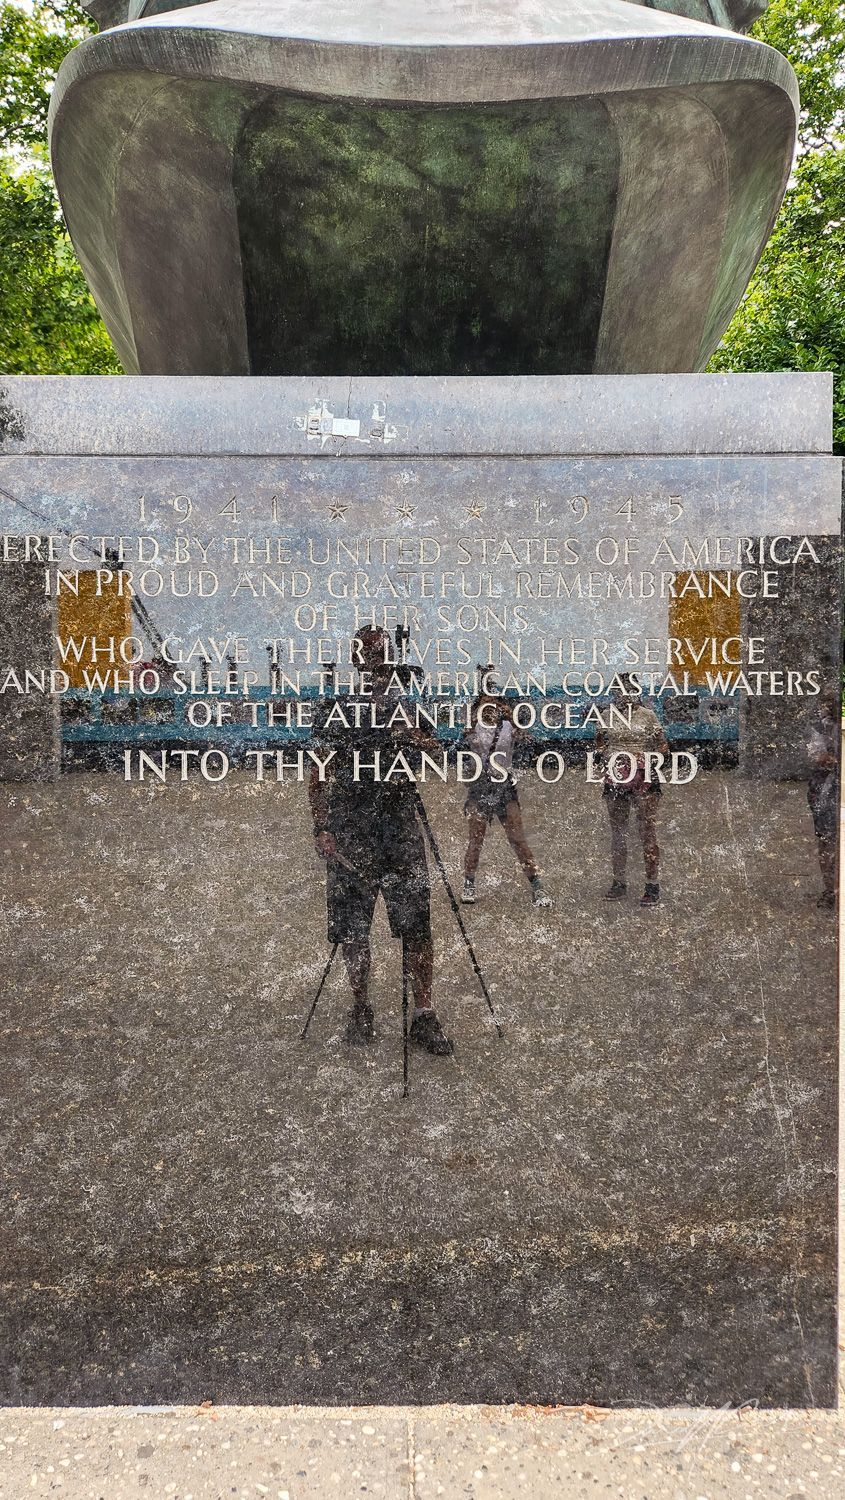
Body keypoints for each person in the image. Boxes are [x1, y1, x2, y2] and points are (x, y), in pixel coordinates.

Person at [308, 626, 453, 1054]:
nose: (376, 665)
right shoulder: (335, 709)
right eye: (368, 656)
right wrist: (322, 827)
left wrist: (409, 732)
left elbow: (439, 757)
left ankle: (423, 1014)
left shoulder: (407, 708)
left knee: (418, 927)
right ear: (357, 661)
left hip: (400, 829)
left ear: (392, 660)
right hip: (351, 829)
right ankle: (361, 1007)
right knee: (354, 928)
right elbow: (318, 771)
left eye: (383, 657)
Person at [460, 681, 552, 908]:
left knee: (518, 839)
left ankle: (537, 886)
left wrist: (510, 714)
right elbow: (465, 745)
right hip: (480, 786)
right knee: (476, 839)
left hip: (504, 786)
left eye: (493, 702)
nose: (489, 707)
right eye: (485, 702)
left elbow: (528, 739)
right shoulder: (473, 728)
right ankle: (469, 883)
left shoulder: (508, 728)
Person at [596, 676, 668, 907]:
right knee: (618, 833)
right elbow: (598, 742)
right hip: (616, 776)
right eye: (620, 690)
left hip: (644, 776)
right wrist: (607, 757)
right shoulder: (607, 715)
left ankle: (652, 885)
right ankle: (619, 882)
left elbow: (663, 746)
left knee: (647, 832)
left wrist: (646, 760)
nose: (625, 694)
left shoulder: (648, 716)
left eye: (629, 689)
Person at [806, 686, 840, 910]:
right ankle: (831, 891)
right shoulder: (820, 727)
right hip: (827, 790)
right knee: (827, 841)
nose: (824, 711)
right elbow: (817, 755)